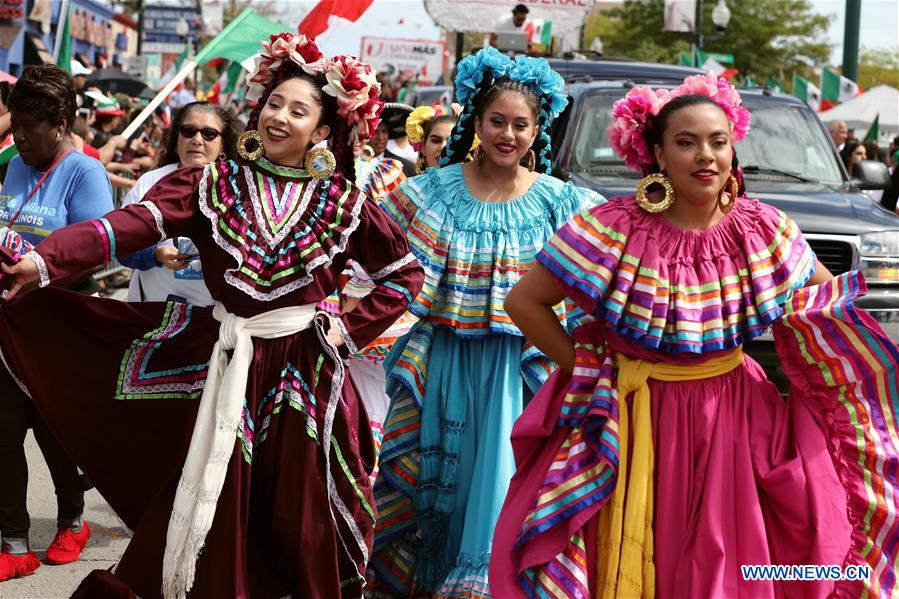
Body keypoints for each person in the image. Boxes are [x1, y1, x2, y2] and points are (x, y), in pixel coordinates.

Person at [0, 32, 423, 598]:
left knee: (298, 519)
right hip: (224, 360)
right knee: (211, 500)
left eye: (298, 111)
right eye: (273, 103)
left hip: (303, 371)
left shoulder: (342, 203)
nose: (279, 117)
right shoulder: (213, 183)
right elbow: (133, 225)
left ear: (323, 131)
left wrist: (345, 330)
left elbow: (402, 276)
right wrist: (46, 261)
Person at [489, 72, 899, 598]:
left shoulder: (763, 228)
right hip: (632, 417)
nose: (706, 155)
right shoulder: (613, 226)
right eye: (686, 142)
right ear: (656, 154)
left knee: (724, 559)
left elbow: (827, 304)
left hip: (733, 416)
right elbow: (524, 302)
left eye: (718, 141)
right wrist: (589, 367)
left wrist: (844, 380)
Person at [367, 48, 601, 598]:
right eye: (497, 121)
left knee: (506, 485)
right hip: (443, 359)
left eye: (522, 124)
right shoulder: (431, 191)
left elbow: (612, 254)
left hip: (521, 371)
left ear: (537, 129)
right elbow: (368, 243)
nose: (508, 134)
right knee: (436, 486)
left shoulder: (559, 202)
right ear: (476, 121)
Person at [0, 64, 113, 582]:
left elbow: (96, 252)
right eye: (15, 123)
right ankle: (13, 540)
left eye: (29, 126)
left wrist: (37, 262)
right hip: (9, 324)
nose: (19, 135)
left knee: (54, 434)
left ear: (61, 123)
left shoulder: (84, 171)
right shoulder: (11, 164)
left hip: (59, 326)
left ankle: (72, 519)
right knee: (2, 433)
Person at [119, 102, 239, 306]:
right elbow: (122, 246)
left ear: (223, 146)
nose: (197, 140)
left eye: (209, 133)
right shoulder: (150, 182)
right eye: (188, 131)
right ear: (177, 140)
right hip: (153, 315)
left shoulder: (239, 189)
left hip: (213, 322)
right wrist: (154, 254)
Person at [404, 104, 458, 173]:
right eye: (436, 141)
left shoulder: (474, 183)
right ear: (423, 146)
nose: (443, 147)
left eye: (451, 141)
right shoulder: (409, 183)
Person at [382, 102, 418, 175]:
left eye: (384, 131)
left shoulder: (405, 168)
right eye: (375, 131)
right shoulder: (355, 163)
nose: (380, 137)